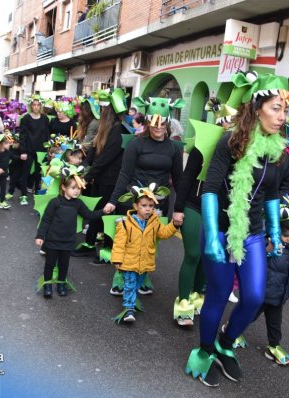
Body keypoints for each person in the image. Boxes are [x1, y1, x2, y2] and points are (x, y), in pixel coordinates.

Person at [184, 71, 289, 387]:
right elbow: (208, 187)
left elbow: (272, 195)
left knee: (254, 297)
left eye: (284, 110)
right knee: (219, 295)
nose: (281, 116)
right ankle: (205, 350)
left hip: (253, 234)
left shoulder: (276, 152)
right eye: (276, 108)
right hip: (220, 229)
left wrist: (274, 233)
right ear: (258, 107)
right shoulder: (230, 142)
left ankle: (225, 340)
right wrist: (211, 235)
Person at [103, 96, 185, 292]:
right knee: (128, 240)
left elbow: (179, 179)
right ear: (148, 122)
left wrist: (181, 207)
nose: (158, 128)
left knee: (150, 240)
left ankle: (143, 275)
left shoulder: (173, 148)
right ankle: (120, 276)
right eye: (154, 124)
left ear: (167, 123)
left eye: (162, 124)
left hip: (158, 201)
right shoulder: (136, 144)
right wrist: (113, 200)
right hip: (134, 200)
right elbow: (125, 173)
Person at [172, 98, 233, 326]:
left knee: (208, 256)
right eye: (226, 122)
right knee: (193, 254)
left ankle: (198, 296)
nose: (229, 126)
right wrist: (178, 208)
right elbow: (187, 177)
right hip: (194, 205)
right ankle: (184, 303)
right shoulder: (202, 145)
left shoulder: (237, 149)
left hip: (218, 210)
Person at [111, 184, 179, 323]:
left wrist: (174, 225)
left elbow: (164, 233)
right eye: (144, 205)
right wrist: (117, 260)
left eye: (151, 206)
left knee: (137, 284)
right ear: (136, 206)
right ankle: (128, 309)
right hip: (129, 262)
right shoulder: (125, 224)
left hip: (145, 262)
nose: (148, 209)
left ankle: (131, 301)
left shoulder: (154, 222)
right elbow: (118, 244)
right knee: (130, 284)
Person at [35, 166, 106, 298]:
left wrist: (103, 211)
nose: (76, 191)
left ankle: (61, 283)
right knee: (50, 263)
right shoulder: (54, 202)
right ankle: (47, 285)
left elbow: (89, 215)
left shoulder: (78, 203)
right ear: (63, 187)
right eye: (73, 188)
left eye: (78, 188)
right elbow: (46, 220)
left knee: (64, 264)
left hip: (68, 241)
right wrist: (40, 236)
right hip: (52, 240)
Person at [73, 89, 125, 261]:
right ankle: (90, 244)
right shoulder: (106, 129)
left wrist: (86, 177)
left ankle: (109, 250)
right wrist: (84, 167)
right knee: (97, 212)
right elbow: (94, 152)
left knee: (107, 214)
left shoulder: (118, 130)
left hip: (111, 181)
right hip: (100, 179)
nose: (100, 112)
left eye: (103, 109)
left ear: (107, 111)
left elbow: (105, 159)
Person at [256, 200, 289, 366]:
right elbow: (258, 259)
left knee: (275, 322)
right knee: (248, 315)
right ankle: (231, 332)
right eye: (286, 235)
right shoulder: (268, 242)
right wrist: (268, 249)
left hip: (279, 292)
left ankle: (274, 346)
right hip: (263, 291)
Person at [18, 96, 50, 203]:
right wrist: (23, 151)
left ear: (41, 106)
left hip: (41, 150)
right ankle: (23, 195)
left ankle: (37, 194)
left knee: (38, 173)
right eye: (34, 105)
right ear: (31, 106)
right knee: (25, 173)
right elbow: (22, 136)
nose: (36, 107)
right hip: (28, 149)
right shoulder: (26, 118)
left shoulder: (45, 119)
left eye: (38, 105)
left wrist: (48, 149)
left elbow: (47, 135)